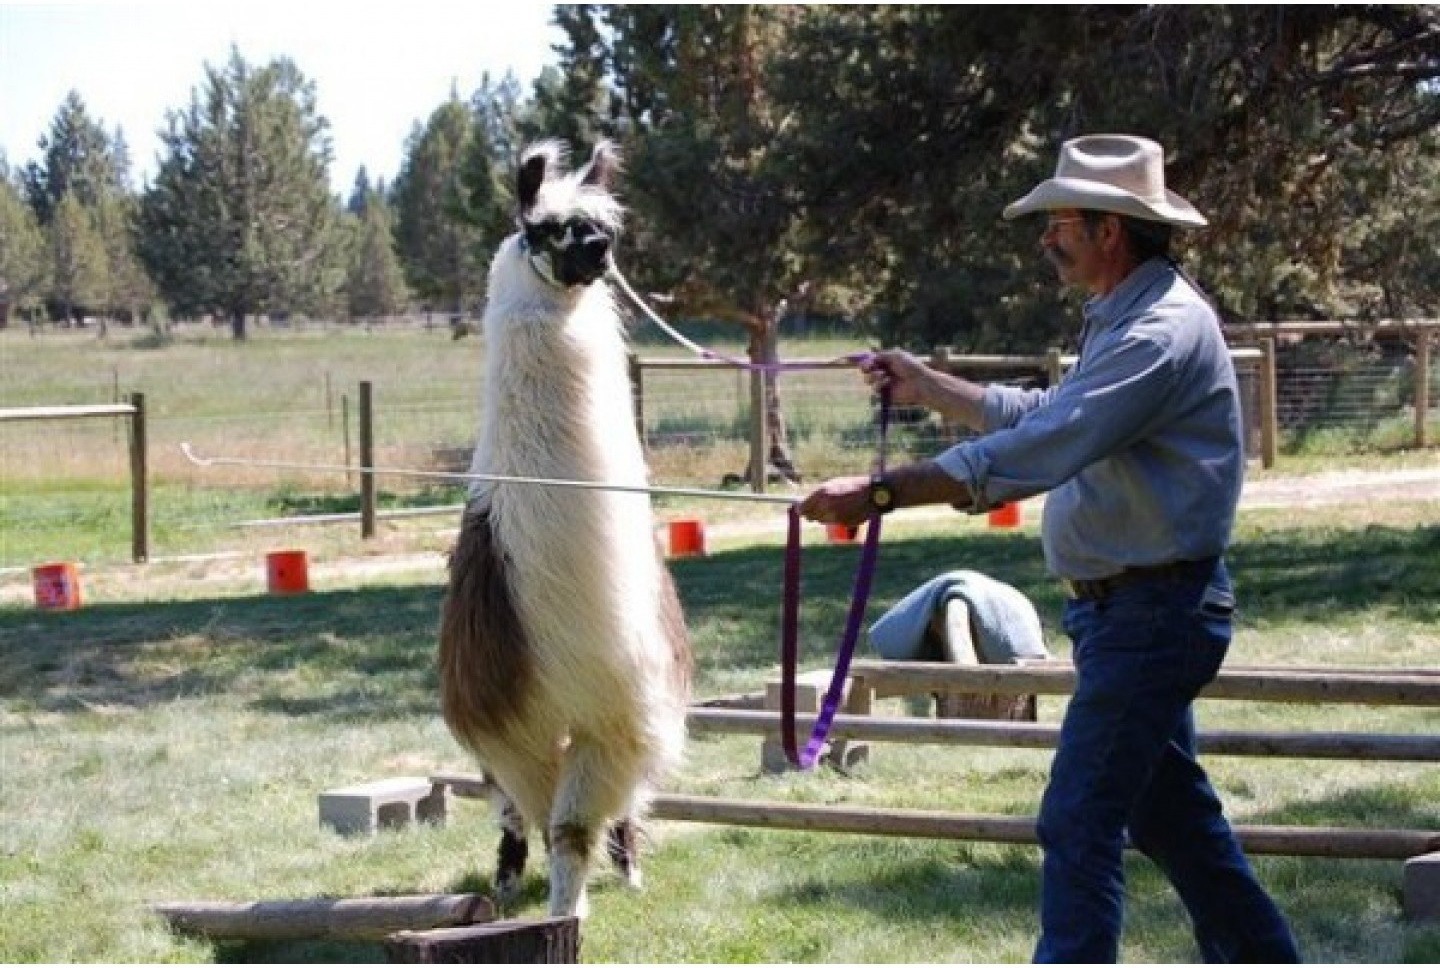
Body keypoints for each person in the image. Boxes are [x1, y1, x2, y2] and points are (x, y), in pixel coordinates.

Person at [798, 134, 1301, 963]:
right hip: (1133, 613)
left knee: (1077, 818)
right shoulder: (1128, 314)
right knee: (1173, 821)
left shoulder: (1158, 333)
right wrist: (928, 387)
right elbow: (1045, 415)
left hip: (1153, 613)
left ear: (1110, 229)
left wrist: (881, 493)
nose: (1044, 238)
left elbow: (1047, 446)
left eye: (1057, 221)